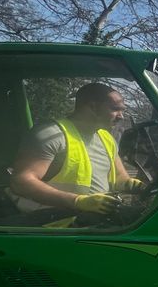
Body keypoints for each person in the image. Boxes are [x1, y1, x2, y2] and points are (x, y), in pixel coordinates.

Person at [10, 82, 144, 222]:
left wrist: (130, 184)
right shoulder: (52, 135)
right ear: (93, 107)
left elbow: (119, 178)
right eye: (115, 109)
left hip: (92, 221)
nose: (121, 116)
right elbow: (22, 182)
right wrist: (77, 201)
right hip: (53, 225)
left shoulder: (106, 138)